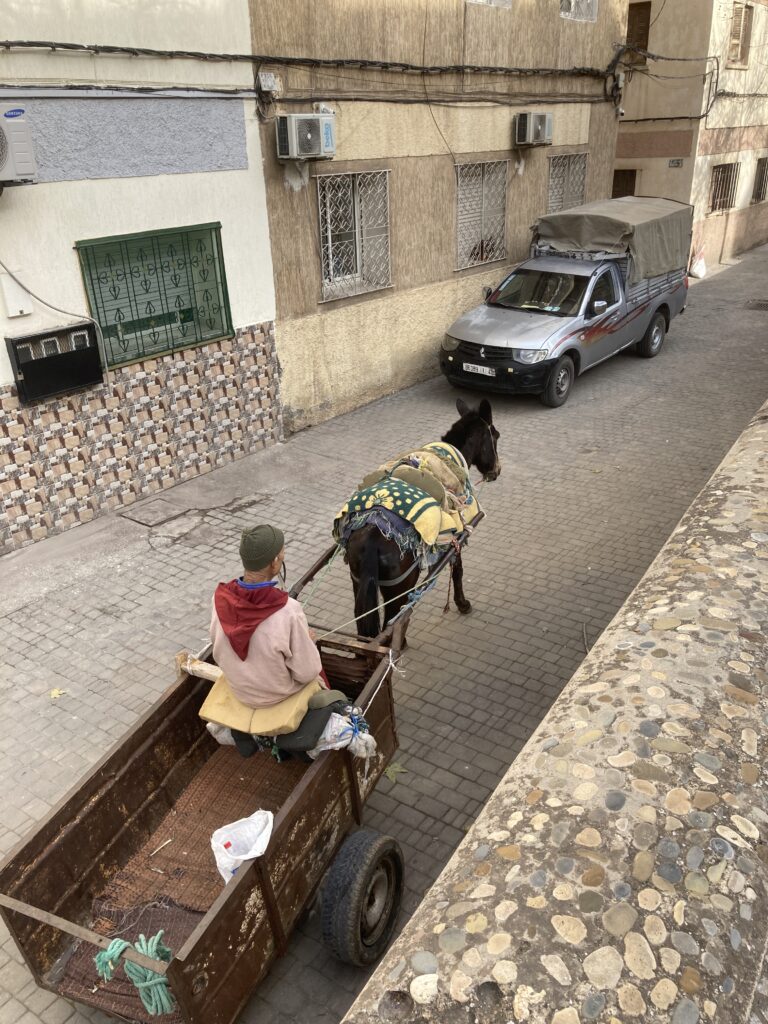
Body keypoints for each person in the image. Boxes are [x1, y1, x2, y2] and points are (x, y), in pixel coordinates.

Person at [210, 525, 323, 709]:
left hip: (240, 692)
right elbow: (307, 673)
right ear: (275, 563)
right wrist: (309, 643)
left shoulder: (218, 599)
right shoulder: (289, 611)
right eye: (282, 553)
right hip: (277, 698)